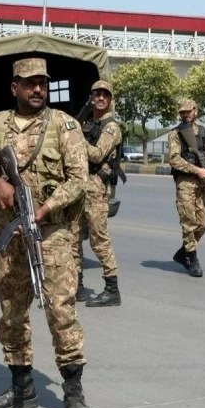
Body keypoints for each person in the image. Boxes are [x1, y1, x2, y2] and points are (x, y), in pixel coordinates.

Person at [0, 58, 94, 408]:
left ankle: (73, 392)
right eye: (29, 83)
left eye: (42, 83)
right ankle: (22, 385)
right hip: (10, 239)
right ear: (14, 88)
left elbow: (79, 179)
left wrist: (44, 208)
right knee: (11, 312)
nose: (38, 89)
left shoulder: (64, 125)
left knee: (61, 313)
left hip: (52, 236)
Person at [73, 80, 123, 307]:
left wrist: (75, 137)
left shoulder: (111, 127)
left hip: (96, 188)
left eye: (105, 95)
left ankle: (112, 289)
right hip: (79, 186)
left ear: (110, 100)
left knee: (98, 239)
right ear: (91, 98)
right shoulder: (86, 123)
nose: (101, 98)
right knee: (73, 237)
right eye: (97, 94)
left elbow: (96, 154)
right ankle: (77, 286)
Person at [168, 99, 205, 277]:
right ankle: (192, 258)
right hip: (186, 182)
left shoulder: (203, 131)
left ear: (195, 111)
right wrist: (196, 170)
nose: (185, 114)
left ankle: (183, 252)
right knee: (189, 222)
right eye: (182, 112)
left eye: (188, 111)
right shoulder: (176, 134)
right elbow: (174, 159)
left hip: (203, 182)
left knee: (203, 222)